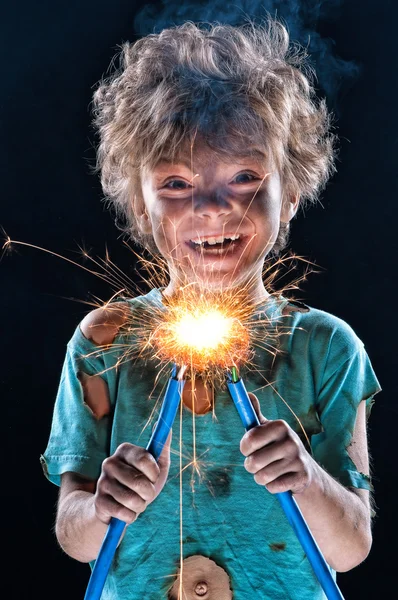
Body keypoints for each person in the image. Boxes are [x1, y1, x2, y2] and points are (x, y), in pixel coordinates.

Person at [40, 17, 381, 600]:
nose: (212, 208)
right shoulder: (104, 339)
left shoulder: (328, 346)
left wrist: (306, 477)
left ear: (292, 192)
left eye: (245, 176)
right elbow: (75, 537)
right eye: (175, 184)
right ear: (141, 207)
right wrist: (102, 505)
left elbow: (350, 550)